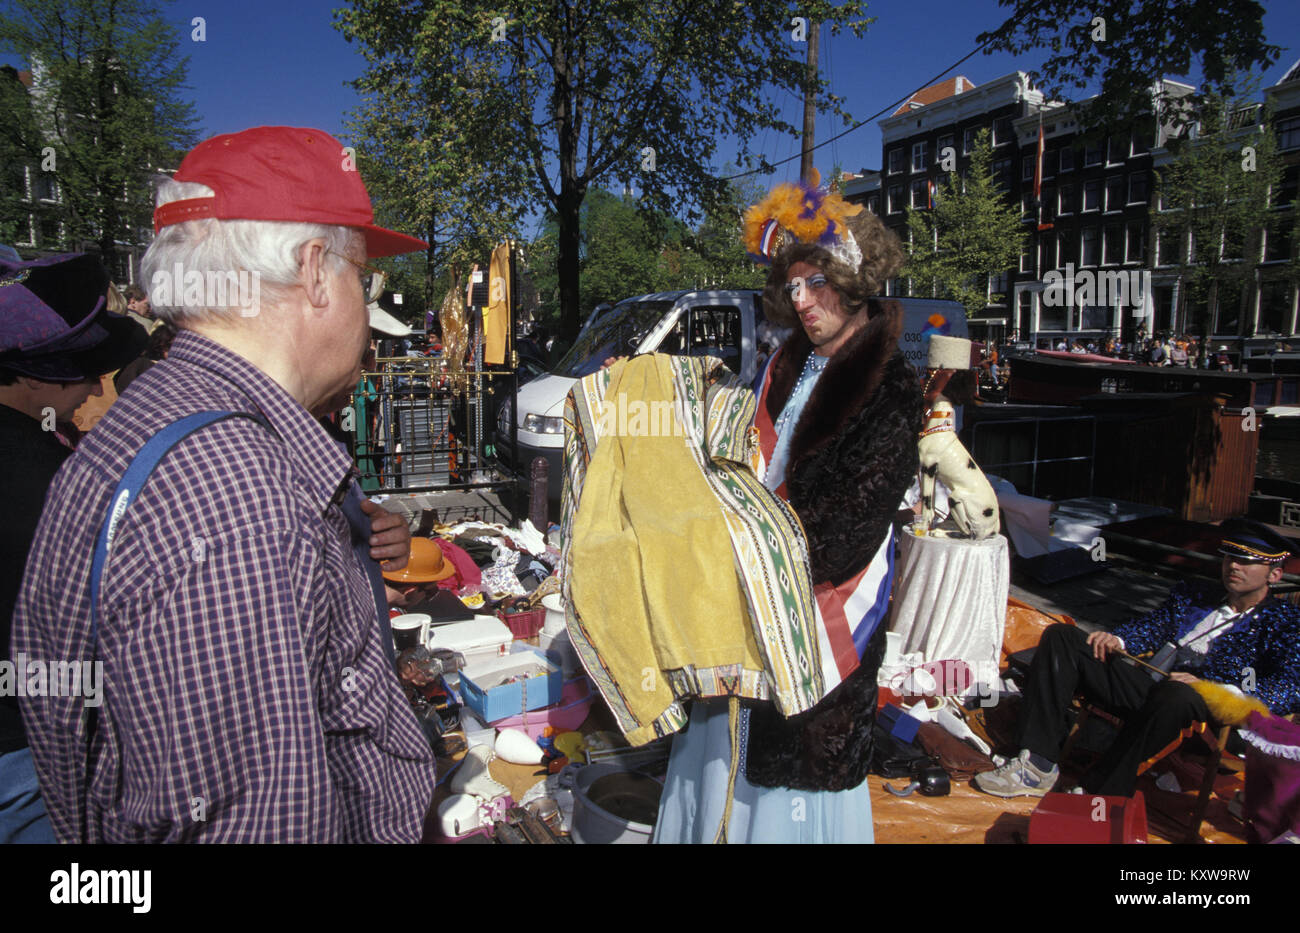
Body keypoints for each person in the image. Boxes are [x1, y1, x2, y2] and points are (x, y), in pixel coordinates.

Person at [12, 126, 436, 843]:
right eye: (361, 277)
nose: (365, 306)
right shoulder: (236, 498)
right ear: (313, 272)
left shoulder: (156, 422)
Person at [653, 178, 921, 843]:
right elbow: (733, 464)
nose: (801, 301)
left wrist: (737, 549)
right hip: (738, 613)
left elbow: (844, 534)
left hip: (810, 634)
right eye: (791, 287)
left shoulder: (890, 389)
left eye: (815, 284)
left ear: (854, 279)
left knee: (778, 803)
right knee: (717, 776)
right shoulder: (783, 366)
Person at [976, 519, 1300, 799]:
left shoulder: (1285, 621)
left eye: (1247, 561)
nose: (1233, 567)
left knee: (1179, 694)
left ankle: (1099, 789)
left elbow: (1289, 686)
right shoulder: (1197, 594)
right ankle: (1036, 764)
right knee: (1063, 637)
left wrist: (1214, 690)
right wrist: (1118, 639)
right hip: (1150, 686)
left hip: (1202, 710)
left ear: (1274, 575)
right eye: (1230, 557)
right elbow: (1155, 624)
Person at [0, 253, 148, 844]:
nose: (94, 386)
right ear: (35, 376)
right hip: (30, 748)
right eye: (84, 371)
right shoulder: (51, 476)